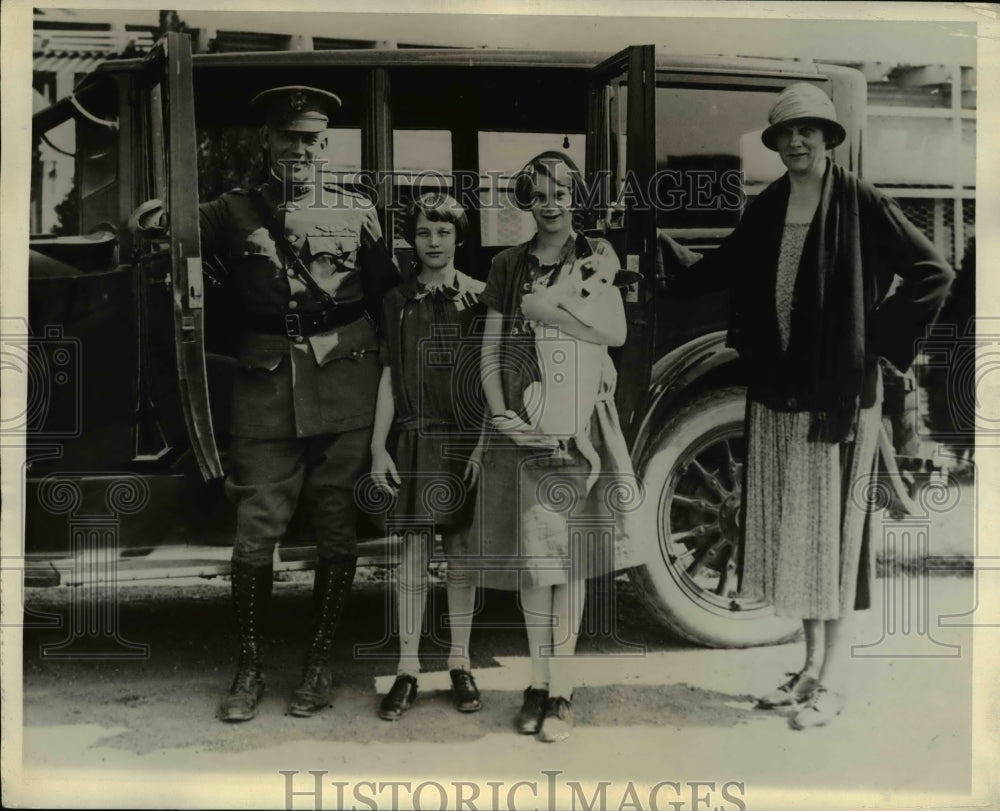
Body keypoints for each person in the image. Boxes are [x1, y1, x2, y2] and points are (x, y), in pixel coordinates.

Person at [659, 83, 953, 729]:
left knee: (836, 541)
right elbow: (726, 265)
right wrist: (659, 256)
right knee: (801, 537)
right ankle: (808, 667)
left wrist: (872, 340)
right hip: (780, 390)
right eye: (786, 134)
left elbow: (934, 271)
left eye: (809, 131)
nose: (797, 142)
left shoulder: (858, 199)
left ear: (828, 137)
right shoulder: (770, 204)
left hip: (837, 397)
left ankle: (833, 677)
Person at [197, 85, 401, 722]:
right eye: (288, 138)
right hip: (265, 386)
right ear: (267, 142)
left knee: (336, 524)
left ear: (326, 146)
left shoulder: (357, 210)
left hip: (346, 380)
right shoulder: (230, 212)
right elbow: (164, 230)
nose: (301, 151)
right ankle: (251, 666)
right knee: (256, 525)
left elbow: (388, 297)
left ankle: (318, 665)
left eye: (312, 140)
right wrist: (151, 218)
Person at [478, 151, 637, 742]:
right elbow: (491, 348)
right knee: (533, 561)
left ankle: (563, 692)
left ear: (577, 196)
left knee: (568, 560)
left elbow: (614, 333)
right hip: (524, 423)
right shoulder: (506, 264)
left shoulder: (596, 255)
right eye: (537, 192)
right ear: (525, 198)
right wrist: (499, 412)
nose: (549, 202)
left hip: (578, 425)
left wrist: (546, 312)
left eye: (560, 191)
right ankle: (538, 682)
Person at [367, 193, 487, 720]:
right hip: (414, 440)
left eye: (443, 232)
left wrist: (482, 447)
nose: (433, 242)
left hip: (464, 442)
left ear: (459, 237)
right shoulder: (397, 302)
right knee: (413, 556)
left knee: (460, 556)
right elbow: (390, 377)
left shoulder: (480, 300)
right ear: (410, 240)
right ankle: (408, 667)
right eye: (423, 233)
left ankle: (460, 661)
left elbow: (489, 381)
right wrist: (378, 447)